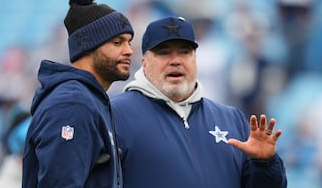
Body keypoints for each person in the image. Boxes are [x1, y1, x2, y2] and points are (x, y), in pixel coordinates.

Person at [111, 16, 287, 188]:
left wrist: (265, 164)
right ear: (144, 63)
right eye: (164, 53)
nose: (175, 61)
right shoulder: (115, 115)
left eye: (184, 52)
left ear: (195, 59)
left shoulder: (230, 119)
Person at [22, 0, 134, 188]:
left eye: (129, 42)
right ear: (88, 45)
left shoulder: (90, 99)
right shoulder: (72, 103)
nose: (129, 51)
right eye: (117, 43)